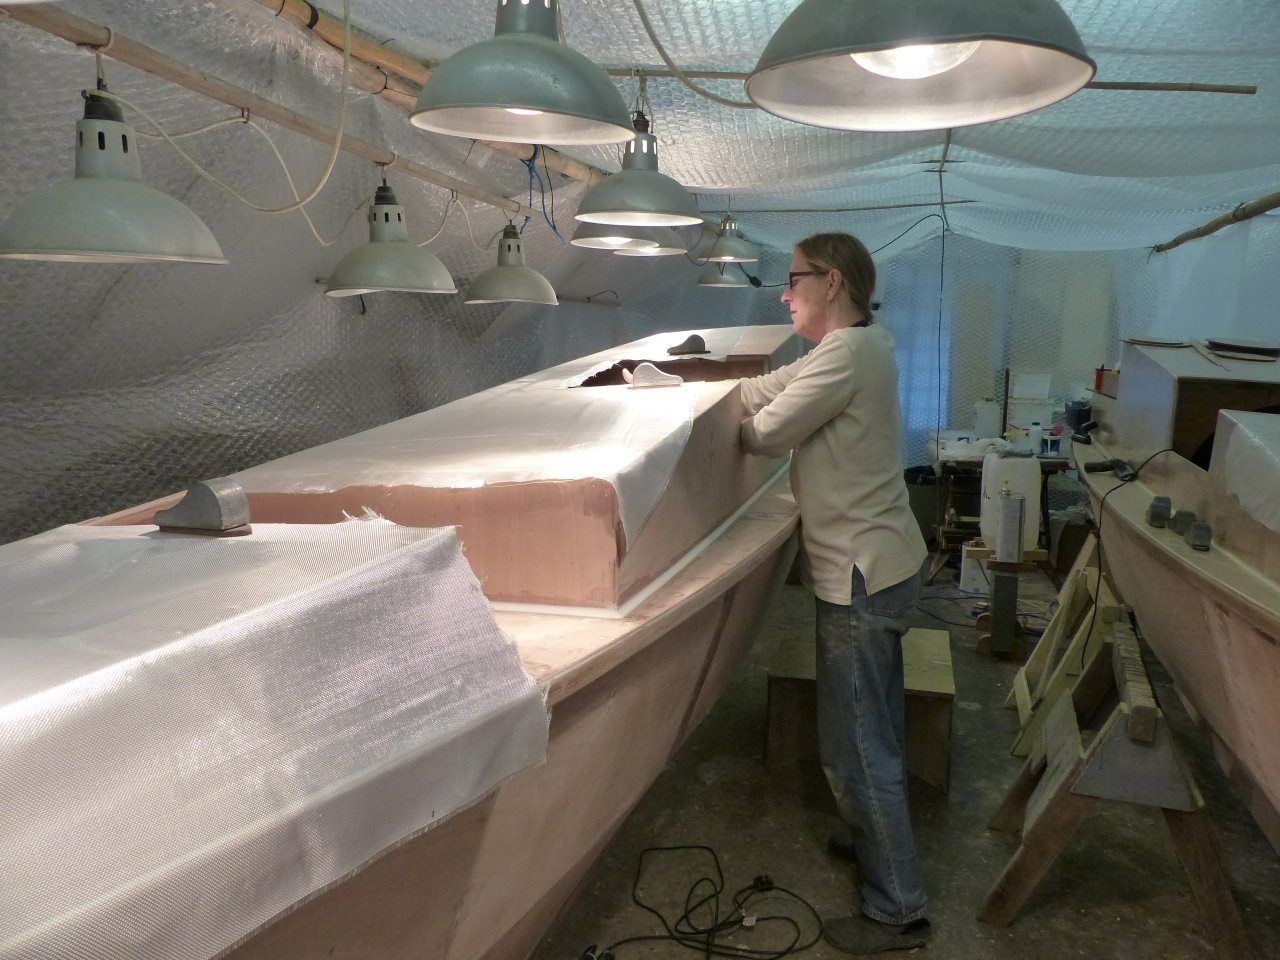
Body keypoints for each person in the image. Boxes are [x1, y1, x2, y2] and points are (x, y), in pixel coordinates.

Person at [737, 233, 930, 954]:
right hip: (885, 564)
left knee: (853, 746)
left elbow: (763, 430)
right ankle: (883, 846)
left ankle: (898, 908)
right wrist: (697, 386)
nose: (784, 293)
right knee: (874, 724)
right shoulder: (859, 346)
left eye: (793, 280)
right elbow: (774, 388)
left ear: (834, 281)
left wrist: (728, 413)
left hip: (859, 578)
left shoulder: (845, 356)